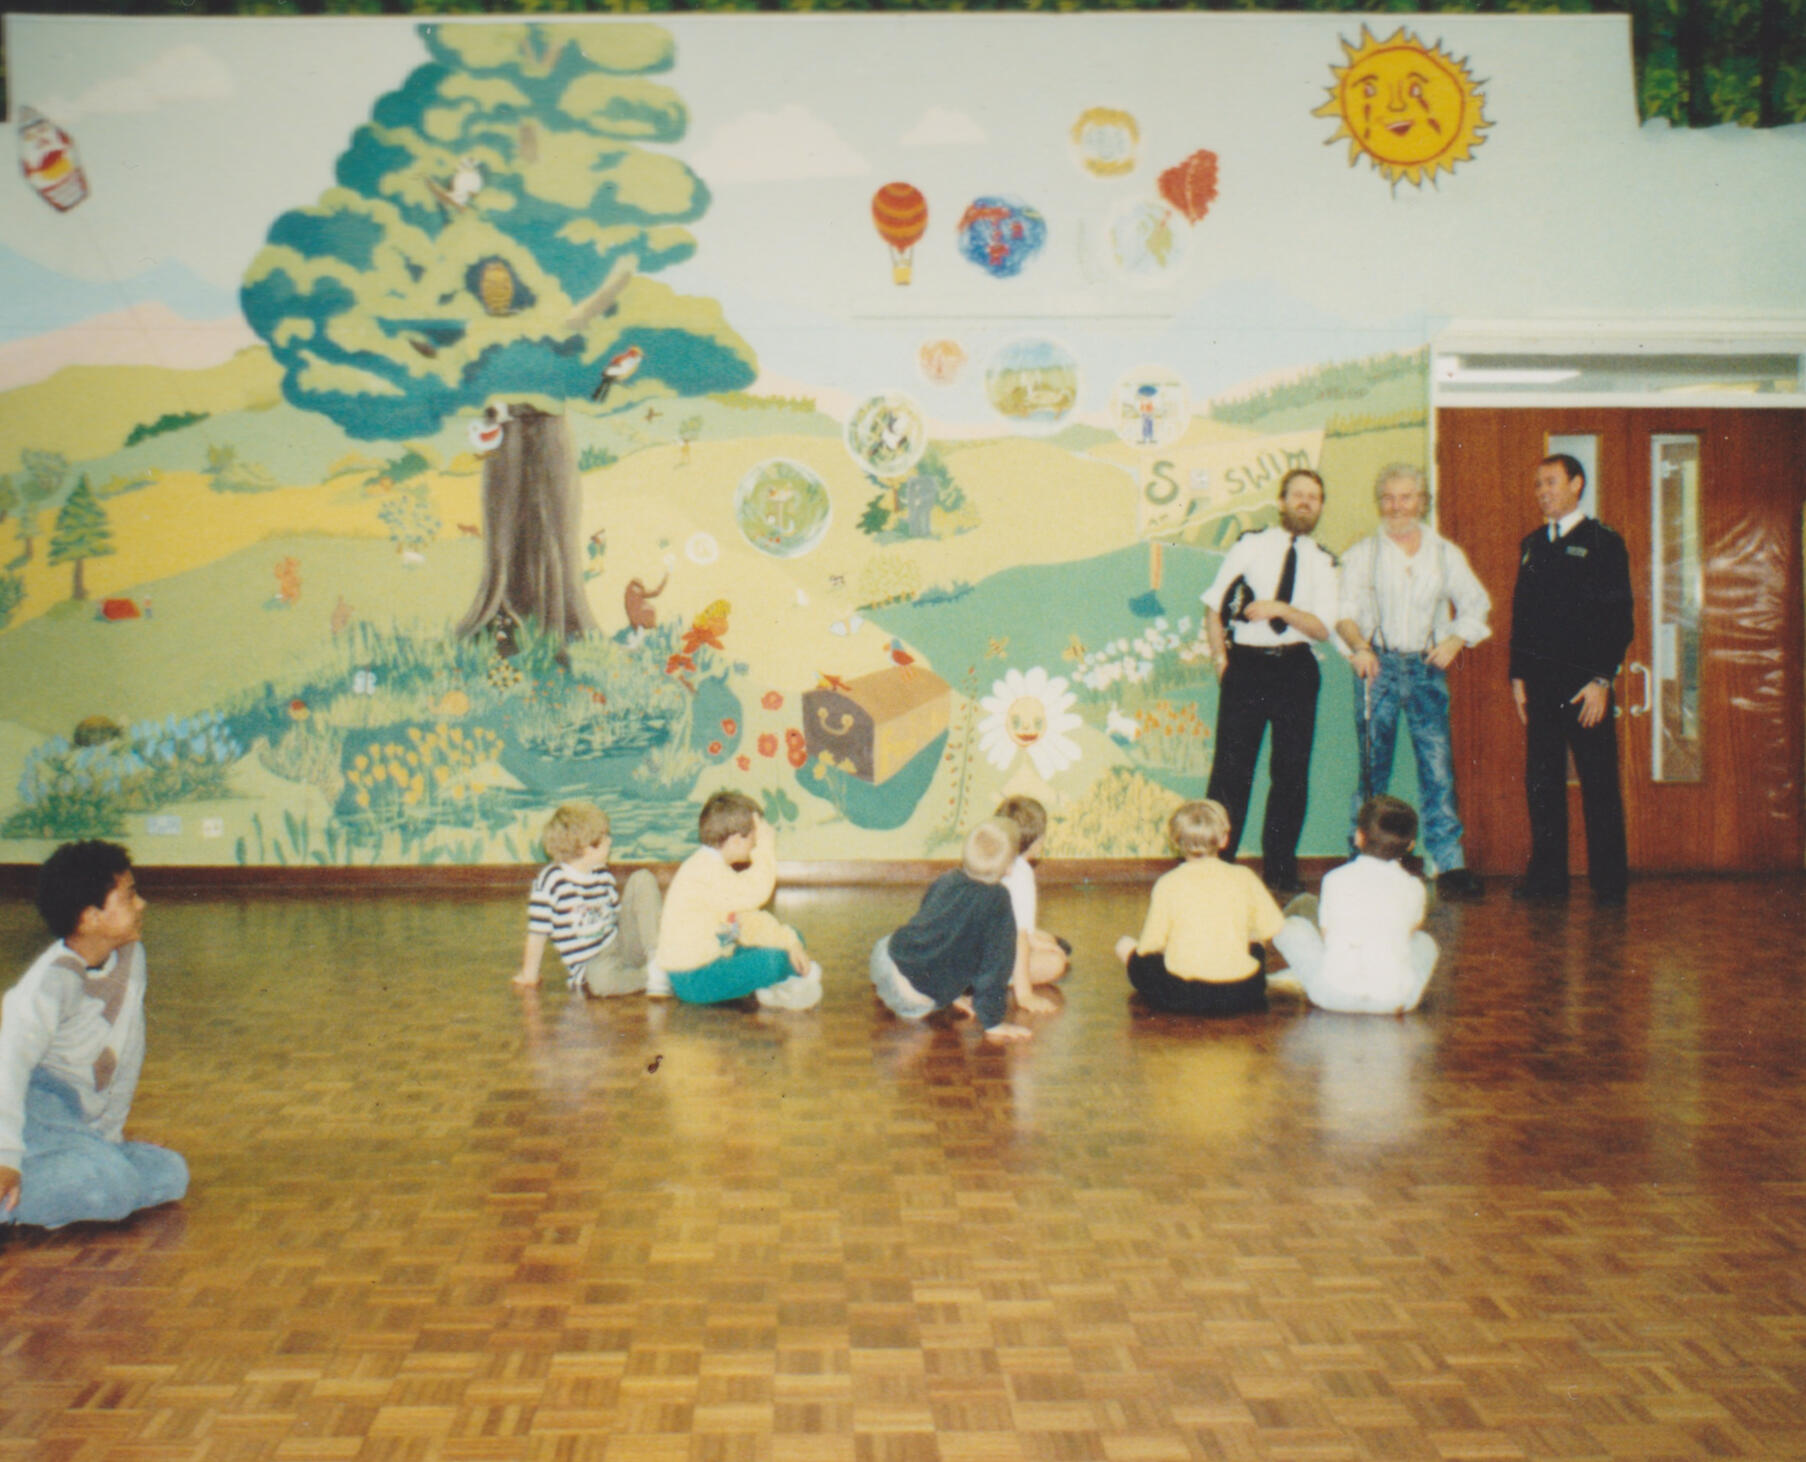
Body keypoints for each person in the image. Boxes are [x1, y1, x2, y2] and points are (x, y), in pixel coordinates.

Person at [0, 841, 188, 1230]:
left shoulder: (132, 957)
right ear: (90, 917)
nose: (142, 905)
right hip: (31, 1104)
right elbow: (9, 1067)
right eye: (130, 895)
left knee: (170, 1172)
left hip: (70, 1117)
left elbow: (127, 1051)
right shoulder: (50, 982)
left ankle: (97, 1163)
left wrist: (110, 1138)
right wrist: (7, 1158)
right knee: (112, 1187)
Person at [1335, 463, 1491, 901]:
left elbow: (1477, 604)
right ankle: (1362, 859)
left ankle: (1449, 863)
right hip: (1377, 667)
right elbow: (1343, 612)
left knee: (1437, 768)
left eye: (1406, 497)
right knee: (1372, 769)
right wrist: (1359, 648)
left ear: (1422, 502)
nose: (1396, 506)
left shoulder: (1444, 554)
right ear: (1379, 501)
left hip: (1425, 668)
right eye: (1388, 497)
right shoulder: (1363, 553)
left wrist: (1456, 639)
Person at [1202, 467, 1340, 895]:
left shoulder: (1323, 559)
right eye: (1297, 494)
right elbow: (1214, 605)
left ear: (1318, 508)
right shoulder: (1251, 545)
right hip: (1247, 667)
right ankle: (1214, 864)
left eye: (1313, 497)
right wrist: (1221, 660)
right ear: (1281, 502)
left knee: (1291, 773)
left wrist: (1282, 608)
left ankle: (1280, 869)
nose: (1304, 502)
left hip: (1296, 670)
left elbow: (1322, 628)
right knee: (1230, 770)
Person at [1509, 454, 1635, 905]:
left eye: (1551, 482)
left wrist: (1602, 679)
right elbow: (1522, 616)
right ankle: (1547, 880)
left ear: (1577, 484)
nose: (1542, 491)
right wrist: (1517, 676)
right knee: (1542, 786)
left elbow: (1619, 618)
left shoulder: (1603, 542)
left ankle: (1609, 885)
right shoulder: (1532, 544)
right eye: (1537, 484)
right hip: (1540, 688)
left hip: (1586, 688)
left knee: (1599, 786)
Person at [1113, 799, 1285, 1016]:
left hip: (1187, 995)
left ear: (1176, 841)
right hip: (1244, 993)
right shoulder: (1245, 876)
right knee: (1254, 941)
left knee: (1126, 946)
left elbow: (1150, 945)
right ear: (1224, 839)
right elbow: (1273, 927)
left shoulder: (1168, 883)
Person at [869, 819, 1032, 1043]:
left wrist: (953, 993)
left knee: (907, 938)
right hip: (913, 1000)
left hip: (884, 960)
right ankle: (904, 995)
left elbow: (930, 926)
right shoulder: (999, 901)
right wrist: (993, 1021)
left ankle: (886, 988)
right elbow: (995, 967)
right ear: (1009, 868)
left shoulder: (948, 879)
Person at [655, 791, 822, 1009]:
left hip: (716, 958)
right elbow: (757, 891)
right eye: (753, 839)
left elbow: (746, 920)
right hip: (694, 978)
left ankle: (774, 978)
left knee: (790, 938)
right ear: (735, 840)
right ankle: (785, 976)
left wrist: (790, 942)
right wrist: (765, 847)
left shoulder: (714, 867)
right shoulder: (703, 872)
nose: (755, 845)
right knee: (773, 961)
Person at [1271, 795, 1438, 1014]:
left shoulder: (1334, 878)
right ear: (1411, 846)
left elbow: (1326, 934)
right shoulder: (1416, 887)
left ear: (1359, 837)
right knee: (1424, 942)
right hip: (1394, 1000)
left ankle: (1300, 974)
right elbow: (1410, 933)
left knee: (1292, 927)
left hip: (1330, 995)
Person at [514, 802, 666, 996]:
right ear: (584, 848)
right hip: (594, 965)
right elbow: (537, 933)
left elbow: (617, 916)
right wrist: (529, 975)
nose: (610, 841)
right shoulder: (551, 881)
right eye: (604, 838)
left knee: (642, 877)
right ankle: (653, 977)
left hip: (620, 946)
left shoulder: (601, 873)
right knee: (601, 982)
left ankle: (658, 960)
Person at [994, 795, 1069, 998]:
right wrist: (1025, 993)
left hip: (983, 945)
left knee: (1050, 940)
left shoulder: (995, 859)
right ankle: (1001, 980)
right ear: (1037, 841)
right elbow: (1019, 938)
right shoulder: (1021, 875)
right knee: (1056, 963)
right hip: (996, 955)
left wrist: (1040, 941)